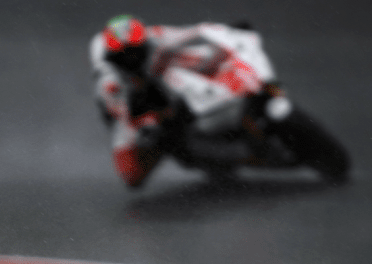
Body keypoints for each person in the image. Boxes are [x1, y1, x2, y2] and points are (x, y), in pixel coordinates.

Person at [89, 14, 258, 187]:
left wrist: (228, 31)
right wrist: (148, 126)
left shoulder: (155, 37)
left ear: (145, 43)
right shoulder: (111, 86)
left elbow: (194, 31)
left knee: (197, 60)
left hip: (157, 86)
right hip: (131, 114)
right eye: (124, 56)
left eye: (136, 52)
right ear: (112, 57)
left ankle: (227, 102)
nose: (131, 59)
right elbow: (123, 125)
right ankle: (184, 146)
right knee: (132, 176)